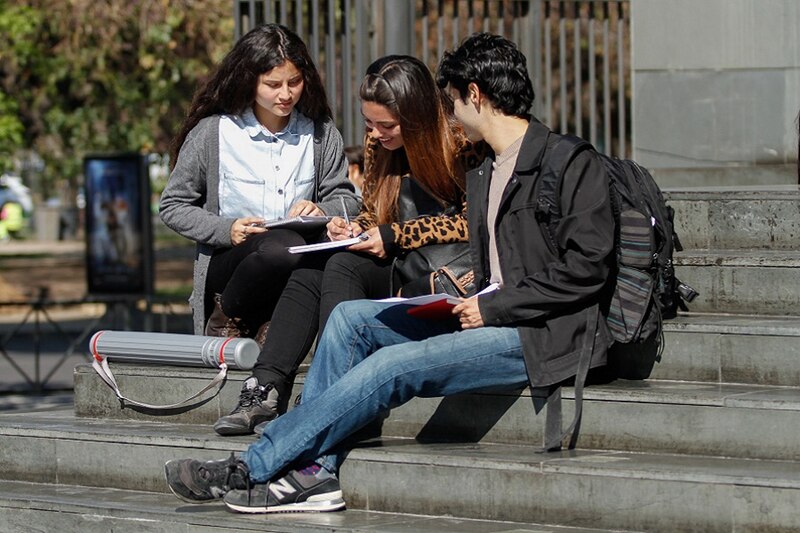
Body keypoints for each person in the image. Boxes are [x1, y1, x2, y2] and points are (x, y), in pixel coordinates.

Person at [165, 32, 616, 515]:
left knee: (389, 365)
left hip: (539, 333)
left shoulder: (567, 161)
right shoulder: (488, 169)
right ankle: (314, 470)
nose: (448, 111)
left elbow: (586, 269)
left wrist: (492, 304)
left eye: (452, 99)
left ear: (475, 96)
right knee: (346, 320)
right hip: (476, 310)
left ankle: (253, 466)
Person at [210, 55, 480, 436]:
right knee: (321, 261)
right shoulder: (378, 146)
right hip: (396, 262)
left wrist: (395, 236)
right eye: (369, 123)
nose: (375, 133)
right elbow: (375, 212)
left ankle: (326, 389)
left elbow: (474, 223)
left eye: (386, 125)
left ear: (416, 115)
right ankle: (266, 386)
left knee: (338, 266)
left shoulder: (461, 144)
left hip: (443, 277)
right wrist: (352, 228)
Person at [159, 23, 359, 340]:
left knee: (294, 248)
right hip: (231, 265)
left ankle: (273, 323)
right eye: (273, 84)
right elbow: (173, 206)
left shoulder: (320, 133)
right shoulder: (213, 133)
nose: (286, 94)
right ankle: (227, 315)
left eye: (294, 82)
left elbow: (347, 200)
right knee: (280, 247)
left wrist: (321, 209)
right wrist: (227, 229)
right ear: (249, 81)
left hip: (295, 262)